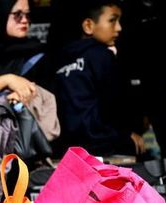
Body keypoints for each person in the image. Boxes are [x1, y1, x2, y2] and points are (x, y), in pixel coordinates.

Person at [52, 0, 144, 157]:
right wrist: (126, 134)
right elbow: (117, 104)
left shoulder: (57, 59)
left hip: (65, 148)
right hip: (103, 144)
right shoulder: (102, 56)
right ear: (88, 26)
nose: (119, 28)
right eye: (112, 20)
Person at [117, 0, 166, 178]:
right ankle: (132, 181)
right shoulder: (127, 7)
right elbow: (121, 37)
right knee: (131, 137)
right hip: (130, 80)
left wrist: (164, 52)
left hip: (159, 78)